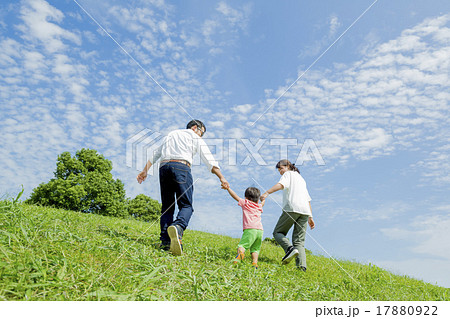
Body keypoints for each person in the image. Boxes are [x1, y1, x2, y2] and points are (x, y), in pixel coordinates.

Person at [137, 120, 229, 256]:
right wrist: (221, 177)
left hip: (163, 168)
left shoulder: (171, 134)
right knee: (186, 206)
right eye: (201, 132)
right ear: (194, 128)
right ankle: (178, 227)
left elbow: (155, 153)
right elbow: (209, 159)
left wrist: (145, 171)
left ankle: (165, 242)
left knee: (167, 206)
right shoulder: (193, 136)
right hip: (181, 167)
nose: (201, 136)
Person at [260, 159, 315, 271]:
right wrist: (310, 216)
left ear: (288, 166)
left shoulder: (288, 174)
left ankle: (289, 249)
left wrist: (267, 193)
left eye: (281, 168)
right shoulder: (301, 179)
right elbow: (307, 199)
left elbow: (281, 185)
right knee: (299, 241)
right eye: (279, 170)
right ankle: (301, 267)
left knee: (278, 232)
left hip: (292, 208)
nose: (280, 171)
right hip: (304, 211)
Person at [225, 186, 265, 269]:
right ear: (257, 200)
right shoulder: (259, 206)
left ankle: (240, 256)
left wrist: (228, 188)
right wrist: (263, 199)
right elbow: (262, 203)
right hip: (260, 231)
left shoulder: (246, 203)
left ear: (246, 197)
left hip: (250, 229)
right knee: (255, 248)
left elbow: (235, 196)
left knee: (243, 245)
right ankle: (254, 263)